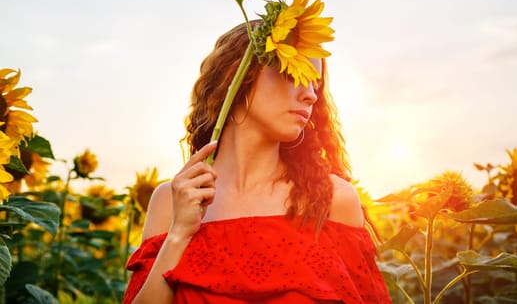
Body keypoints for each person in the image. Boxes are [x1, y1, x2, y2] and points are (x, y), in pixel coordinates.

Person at [123, 18, 392, 303]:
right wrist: (178, 235)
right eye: (296, 72)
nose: (311, 95)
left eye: (317, 84)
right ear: (239, 75)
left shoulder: (332, 201)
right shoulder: (172, 201)